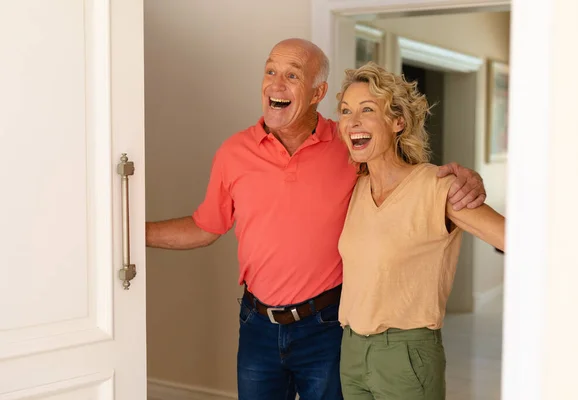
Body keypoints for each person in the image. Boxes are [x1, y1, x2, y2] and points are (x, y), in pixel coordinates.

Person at [146, 39, 487, 400]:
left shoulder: (349, 144)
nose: (276, 84)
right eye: (270, 71)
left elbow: (400, 177)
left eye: (292, 75)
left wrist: (466, 179)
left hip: (326, 325)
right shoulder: (233, 153)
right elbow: (205, 226)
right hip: (257, 324)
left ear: (317, 92)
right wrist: (127, 233)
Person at [335, 62, 505, 400]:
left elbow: (515, 239)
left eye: (367, 109)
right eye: (345, 111)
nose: (352, 121)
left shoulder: (436, 187)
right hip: (351, 351)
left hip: (406, 354)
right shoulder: (354, 189)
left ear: (398, 121)